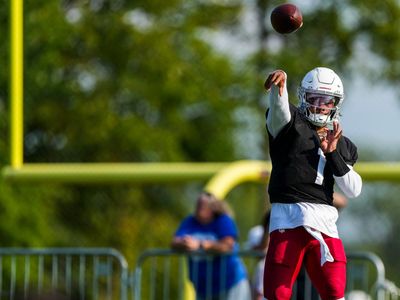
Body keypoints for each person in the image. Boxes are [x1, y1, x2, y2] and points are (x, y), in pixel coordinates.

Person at [263, 67, 362, 300]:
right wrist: (279, 89)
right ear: (303, 97)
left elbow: (353, 189)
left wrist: (333, 154)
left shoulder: (341, 142)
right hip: (287, 218)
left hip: (325, 223)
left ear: (335, 104)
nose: (320, 105)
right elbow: (279, 110)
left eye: (326, 101)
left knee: (334, 290)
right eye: (314, 98)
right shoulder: (290, 123)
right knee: (277, 293)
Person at [171, 192, 251, 300]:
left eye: (202, 205)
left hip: (231, 284)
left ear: (212, 207)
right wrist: (184, 243)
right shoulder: (189, 222)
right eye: (198, 204)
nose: (199, 208)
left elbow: (228, 246)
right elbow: (174, 243)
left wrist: (201, 245)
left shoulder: (223, 221)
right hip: (203, 288)